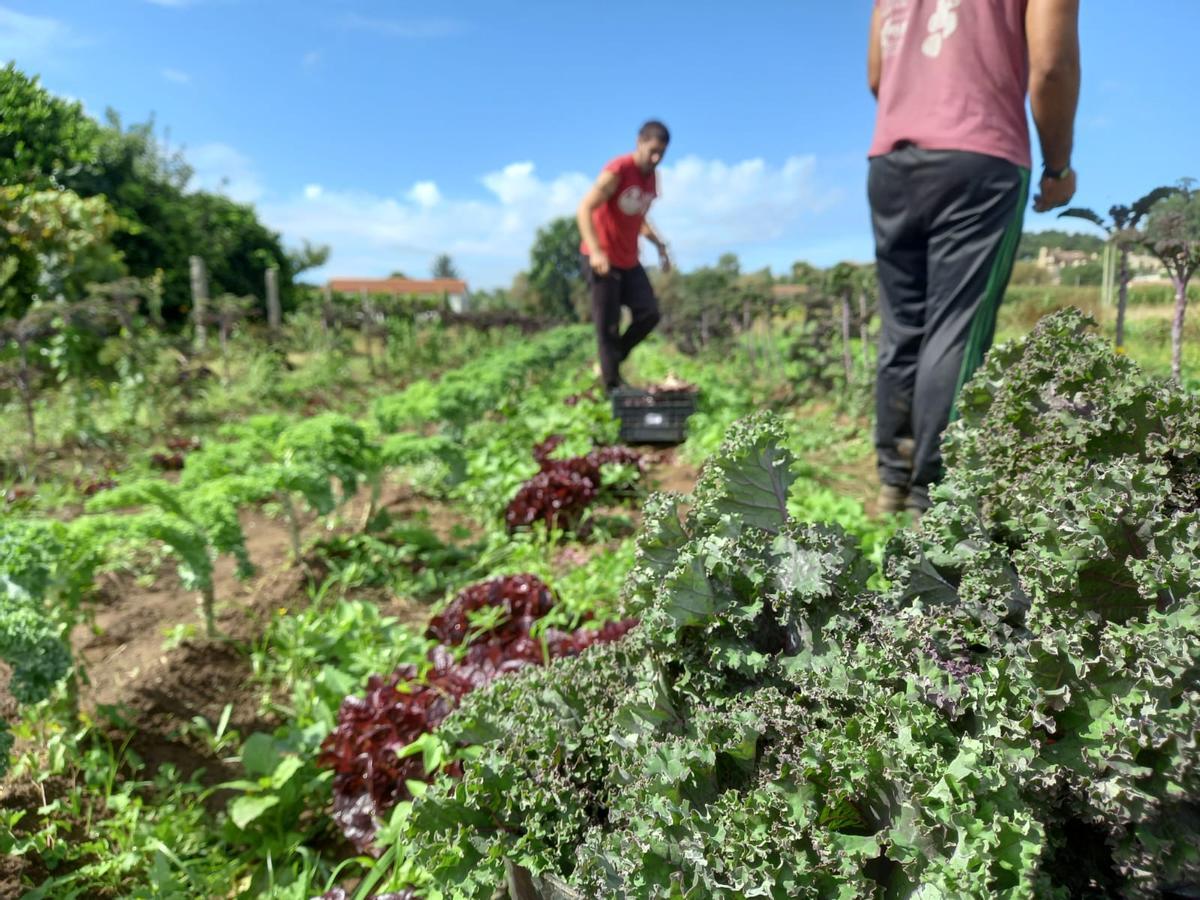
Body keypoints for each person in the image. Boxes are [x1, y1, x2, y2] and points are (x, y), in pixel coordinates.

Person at [867, 0, 1081, 514]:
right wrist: (1058, 167)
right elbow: (1051, 67)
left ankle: (893, 482)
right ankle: (932, 498)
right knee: (957, 330)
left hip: (893, 159)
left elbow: (878, 74)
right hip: (979, 156)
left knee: (903, 328)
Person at [577, 121, 672, 393]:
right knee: (608, 325)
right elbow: (584, 208)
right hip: (601, 258)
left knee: (649, 314)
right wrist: (596, 251)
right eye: (652, 150)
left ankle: (611, 361)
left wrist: (660, 246)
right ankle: (611, 387)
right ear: (639, 142)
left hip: (629, 259)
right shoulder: (618, 170)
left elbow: (639, 217)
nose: (656, 158)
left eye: (661, 154)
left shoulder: (652, 179)